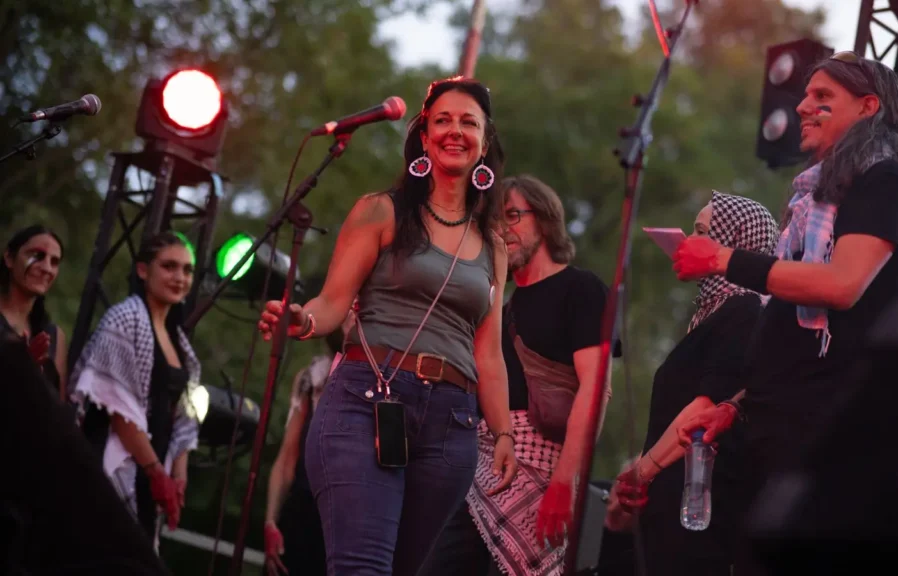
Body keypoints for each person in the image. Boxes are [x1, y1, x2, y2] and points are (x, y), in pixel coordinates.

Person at [671, 54, 898, 574]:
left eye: (823, 98)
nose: (802, 107)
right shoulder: (820, 197)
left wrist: (725, 258)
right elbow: (795, 336)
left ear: (868, 107)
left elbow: (841, 286)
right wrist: (738, 406)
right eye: (806, 96)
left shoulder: (886, 182)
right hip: (785, 434)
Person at [258, 76, 517, 576]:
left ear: (485, 142)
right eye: (442, 120)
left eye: (469, 123)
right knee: (362, 569)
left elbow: (489, 354)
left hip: (452, 423)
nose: (455, 131)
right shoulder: (381, 210)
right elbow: (334, 303)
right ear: (423, 137)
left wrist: (503, 433)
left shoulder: (494, 245)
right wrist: (304, 319)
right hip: (366, 403)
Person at [421, 174, 617, 576]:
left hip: (545, 475)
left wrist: (565, 482)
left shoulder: (581, 288)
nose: (501, 231)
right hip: (482, 471)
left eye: (512, 216)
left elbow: (597, 389)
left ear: (544, 220)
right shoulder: (501, 308)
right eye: (493, 221)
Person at [611, 191, 779, 576]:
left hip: (699, 505)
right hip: (672, 501)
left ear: (734, 242)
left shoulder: (745, 309)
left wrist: (643, 472)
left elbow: (705, 407)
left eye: (702, 231)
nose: (689, 241)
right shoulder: (713, 312)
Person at [70, 231, 201, 548]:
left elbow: (184, 418)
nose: (179, 277)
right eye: (169, 266)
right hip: (109, 464)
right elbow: (119, 411)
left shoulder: (181, 344)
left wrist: (178, 480)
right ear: (143, 271)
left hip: (152, 473)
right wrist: (157, 474)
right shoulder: (124, 318)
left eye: (187, 270)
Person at [263, 318, 354, 576]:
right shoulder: (311, 378)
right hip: (302, 511)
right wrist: (271, 521)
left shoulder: (383, 384)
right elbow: (287, 458)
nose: (350, 316)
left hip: (346, 520)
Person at [1, 225, 67, 400]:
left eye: (54, 262)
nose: (47, 268)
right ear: (9, 258)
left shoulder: (53, 336)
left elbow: (57, 412)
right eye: (37, 256)